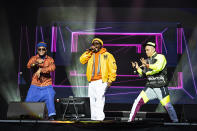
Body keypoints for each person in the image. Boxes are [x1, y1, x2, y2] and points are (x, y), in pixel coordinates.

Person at [128, 42, 178, 122]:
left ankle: (176, 123)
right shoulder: (147, 60)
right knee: (137, 101)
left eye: (148, 50)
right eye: (145, 50)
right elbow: (143, 74)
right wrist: (137, 68)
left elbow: (158, 68)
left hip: (160, 86)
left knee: (167, 106)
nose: (146, 52)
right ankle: (130, 121)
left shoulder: (161, 57)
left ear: (153, 49)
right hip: (150, 87)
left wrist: (147, 65)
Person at [80, 38, 117, 121]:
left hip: (102, 81)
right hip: (91, 81)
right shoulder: (90, 54)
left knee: (100, 98)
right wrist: (88, 52)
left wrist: (110, 80)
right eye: (94, 44)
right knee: (91, 99)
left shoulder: (107, 55)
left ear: (101, 45)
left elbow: (113, 68)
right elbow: (82, 60)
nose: (95, 45)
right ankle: (93, 118)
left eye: (97, 43)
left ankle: (100, 118)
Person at [25, 42, 56, 120]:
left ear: (46, 50)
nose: (41, 50)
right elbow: (29, 65)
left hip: (47, 84)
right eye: (39, 49)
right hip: (35, 84)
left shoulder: (49, 59)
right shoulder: (34, 58)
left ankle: (51, 115)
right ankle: (28, 115)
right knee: (28, 101)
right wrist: (36, 63)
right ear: (37, 50)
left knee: (50, 95)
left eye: (43, 49)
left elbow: (52, 68)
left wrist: (41, 70)